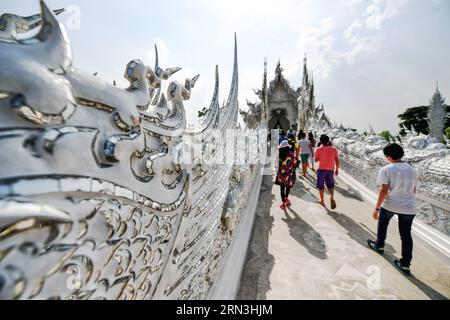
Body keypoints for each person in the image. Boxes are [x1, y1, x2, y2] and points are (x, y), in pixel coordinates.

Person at [367, 143, 417, 275]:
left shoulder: (387, 169)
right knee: (406, 235)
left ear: (388, 157)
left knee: (383, 225)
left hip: (391, 203)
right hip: (409, 205)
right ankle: (405, 264)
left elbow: (384, 190)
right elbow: (414, 189)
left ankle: (379, 245)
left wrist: (377, 208)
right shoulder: (412, 169)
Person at [314, 135, 339, 209]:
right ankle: (331, 197)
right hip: (330, 170)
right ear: (328, 141)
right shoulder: (334, 149)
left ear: (321, 141)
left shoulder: (318, 149)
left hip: (321, 170)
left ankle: (322, 201)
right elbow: (337, 160)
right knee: (331, 186)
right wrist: (337, 169)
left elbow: (316, 160)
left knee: (321, 186)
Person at [275, 140, 297, 210]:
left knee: (282, 188)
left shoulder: (279, 154)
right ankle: (286, 199)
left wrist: (277, 171)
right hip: (290, 174)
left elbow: (276, 164)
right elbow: (295, 163)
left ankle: (283, 202)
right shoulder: (291, 154)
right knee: (288, 186)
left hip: (282, 174)